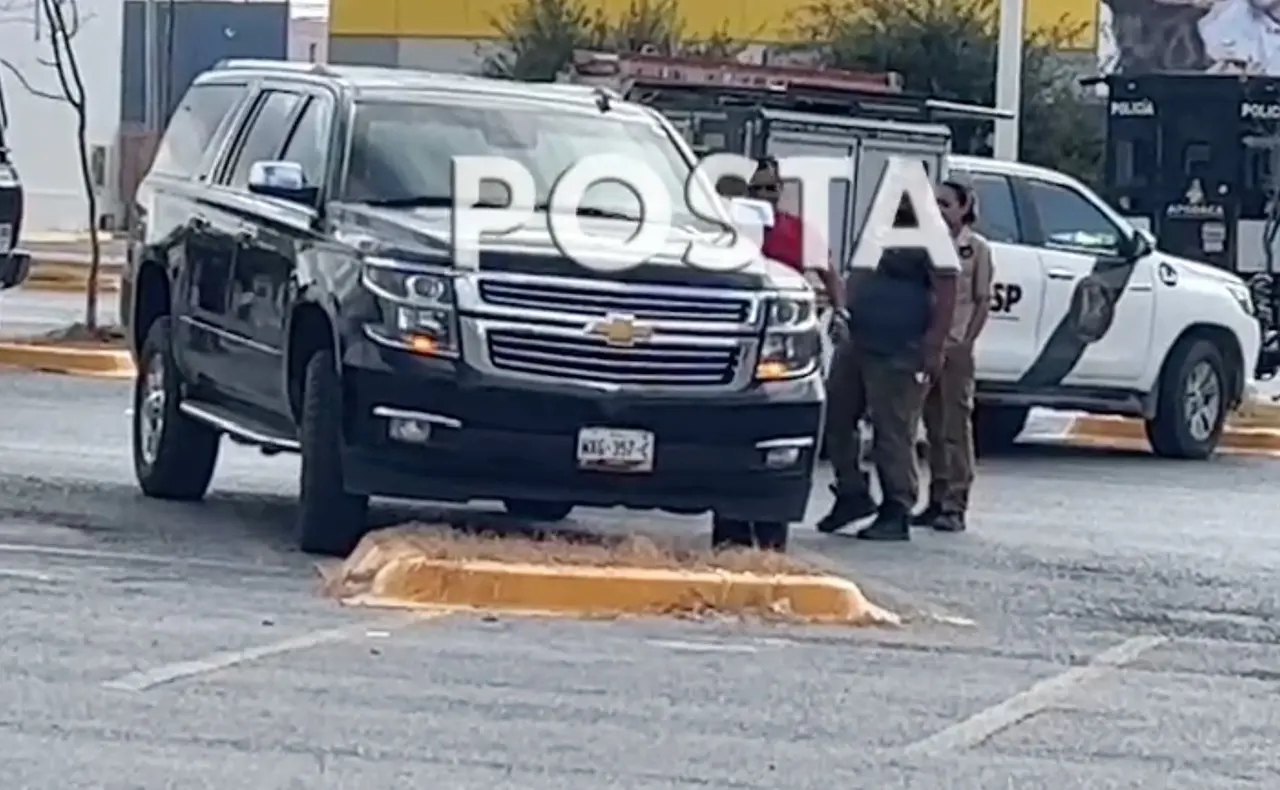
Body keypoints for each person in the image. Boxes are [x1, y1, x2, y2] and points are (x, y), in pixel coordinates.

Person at [817, 196, 960, 541]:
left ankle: (897, 507)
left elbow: (947, 288)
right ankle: (851, 493)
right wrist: (843, 312)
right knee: (836, 419)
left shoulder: (931, 236)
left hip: (900, 348)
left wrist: (935, 344)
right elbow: (857, 276)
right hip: (858, 340)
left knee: (893, 431)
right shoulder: (877, 231)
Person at [912, 180, 993, 533]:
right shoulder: (927, 245)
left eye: (947, 204)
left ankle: (956, 504)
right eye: (936, 204)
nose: (940, 210)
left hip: (956, 347)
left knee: (955, 428)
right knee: (931, 426)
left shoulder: (976, 250)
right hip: (928, 347)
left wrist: (965, 342)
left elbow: (982, 300)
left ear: (964, 208)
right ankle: (936, 498)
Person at [747, 157, 846, 315]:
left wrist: (840, 313)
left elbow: (830, 275)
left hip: (786, 317)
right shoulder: (730, 227)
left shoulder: (799, 230)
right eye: (757, 188)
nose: (763, 194)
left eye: (770, 188)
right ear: (748, 191)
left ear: (780, 189)